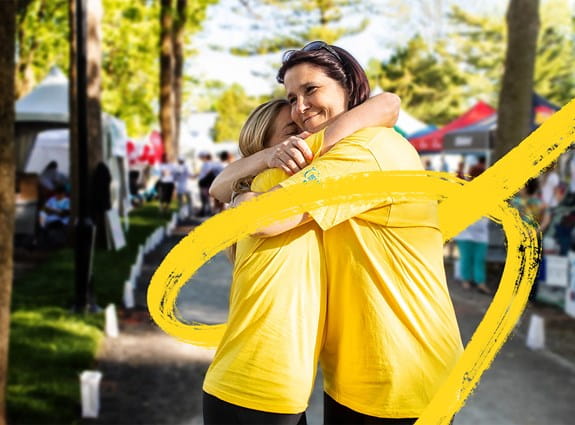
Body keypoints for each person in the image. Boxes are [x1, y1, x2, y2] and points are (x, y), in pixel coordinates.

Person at [211, 41, 463, 424]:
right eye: (292, 97)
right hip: (361, 375)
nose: (301, 107)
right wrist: (265, 159)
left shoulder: (364, 150)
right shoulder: (342, 149)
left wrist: (246, 190)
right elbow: (387, 104)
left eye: (311, 90)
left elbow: (262, 217)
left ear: (349, 88)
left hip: (400, 377)